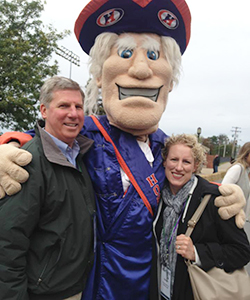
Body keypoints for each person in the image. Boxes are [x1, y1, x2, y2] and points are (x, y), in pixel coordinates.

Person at [0, 1, 246, 299]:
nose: (141, 69)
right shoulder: (87, 131)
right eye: (125, 54)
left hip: (149, 273)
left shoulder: (165, 146)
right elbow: (41, 139)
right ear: (100, 77)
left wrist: (222, 192)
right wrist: (8, 144)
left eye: (153, 56)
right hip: (97, 270)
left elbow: (186, 182)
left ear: (169, 83)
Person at [0, 76, 96, 300]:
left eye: (78, 107)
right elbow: (7, 243)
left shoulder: (79, 154)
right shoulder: (28, 162)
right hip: (44, 293)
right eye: (64, 106)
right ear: (44, 110)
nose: (73, 113)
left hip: (76, 287)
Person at [150, 134, 250, 300]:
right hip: (161, 289)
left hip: (196, 291)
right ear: (164, 161)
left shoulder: (213, 199)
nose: (179, 167)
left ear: (196, 165)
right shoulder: (156, 196)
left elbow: (242, 251)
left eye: (186, 162)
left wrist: (197, 253)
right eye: (174, 159)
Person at [222, 142, 250, 221]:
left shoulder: (247, 171)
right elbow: (223, 189)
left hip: (241, 218)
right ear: (246, 154)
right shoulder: (237, 169)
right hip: (230, 217)